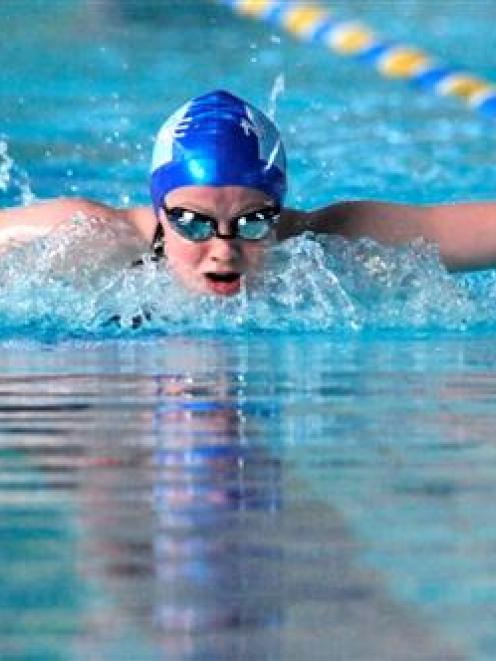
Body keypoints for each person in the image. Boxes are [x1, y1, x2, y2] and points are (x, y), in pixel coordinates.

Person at [1, 89, 496, 297]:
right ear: (159, 209)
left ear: (280, 211)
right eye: (191, 222)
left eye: (253, 221)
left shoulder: (329, 243)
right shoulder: (88, 238)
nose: (223, 250)